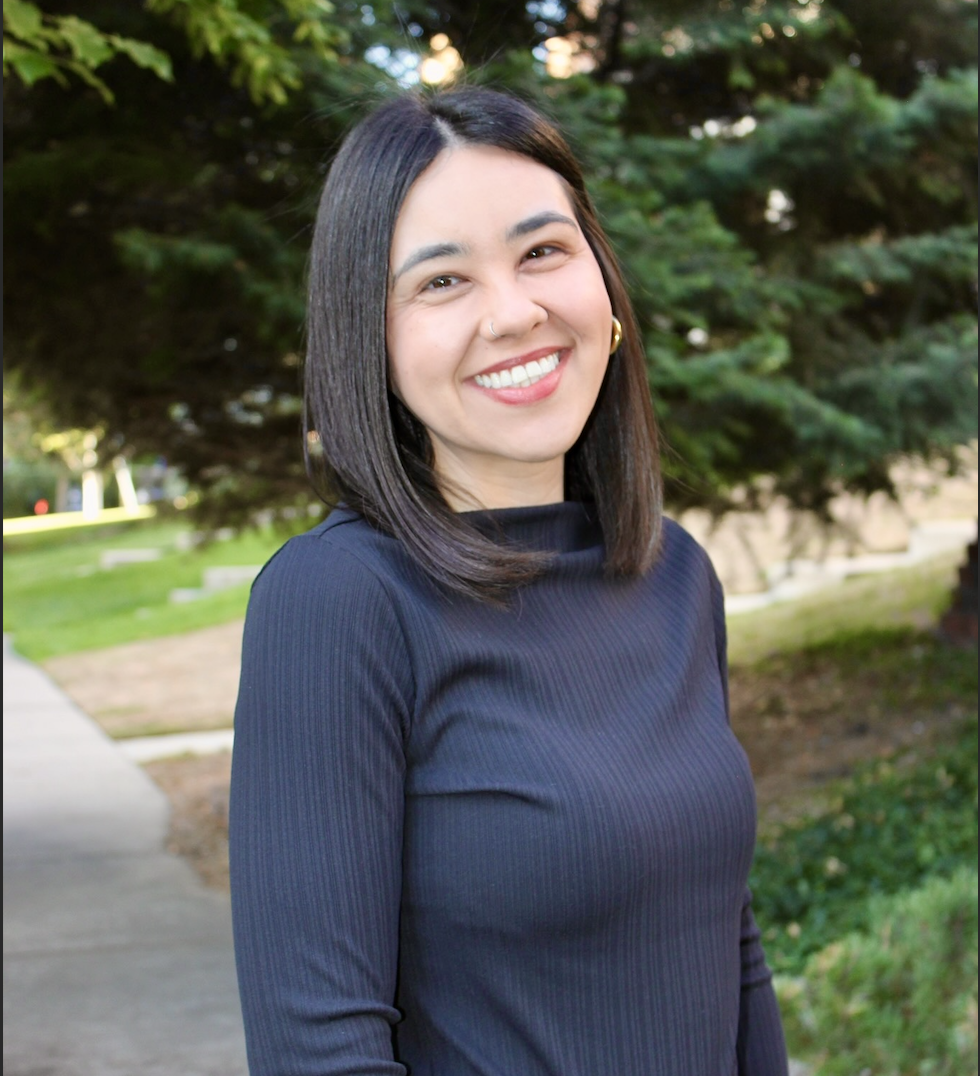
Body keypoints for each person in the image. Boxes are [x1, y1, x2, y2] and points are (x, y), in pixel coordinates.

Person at [229, 86, 789, 1076]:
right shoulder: (339, 601)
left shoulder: (671, 574)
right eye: (441, 281)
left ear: (604, 290)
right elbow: (319, 1046)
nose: (514, 311)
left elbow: (722, 938)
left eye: (542, 251)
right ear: (375, 338)